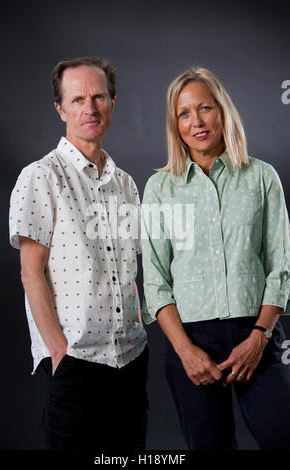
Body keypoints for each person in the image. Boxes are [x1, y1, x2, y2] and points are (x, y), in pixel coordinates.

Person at [141, 67, 290, 450]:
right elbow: (155, 279)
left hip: (257, 333)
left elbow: (281, 266)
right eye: (184, 113)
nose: (196, 121)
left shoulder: (262, 177)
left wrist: (260, 337)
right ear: (176, 125)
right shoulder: (160, 188)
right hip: (190, 340)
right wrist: (186, 351)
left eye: (205, 107)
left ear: (222, 111)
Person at [9, 56, 148, 452]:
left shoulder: (125, 184)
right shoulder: (40, 177)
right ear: (61, 109)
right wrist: (59, 352)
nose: (90, 108)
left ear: (112, 103)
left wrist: (137, 324)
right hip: (74, 363)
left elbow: (128, 268)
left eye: (99, 97)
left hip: (130, 359)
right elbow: (31, 274)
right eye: (78, 99)